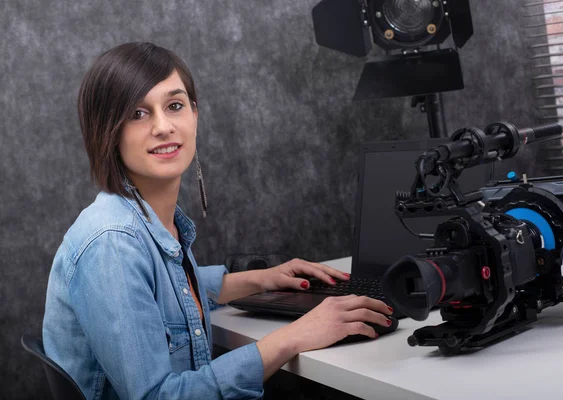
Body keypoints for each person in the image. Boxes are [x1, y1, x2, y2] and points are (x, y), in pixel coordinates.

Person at [42, 42, 394, 400]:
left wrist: (262, 279)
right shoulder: (112, 244)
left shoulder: (148, 220)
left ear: (195, 114)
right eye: (138, 113)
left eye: (174, 105)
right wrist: (297, 334)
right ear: (108, 130)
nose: (163, 127)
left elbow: (165, 291)